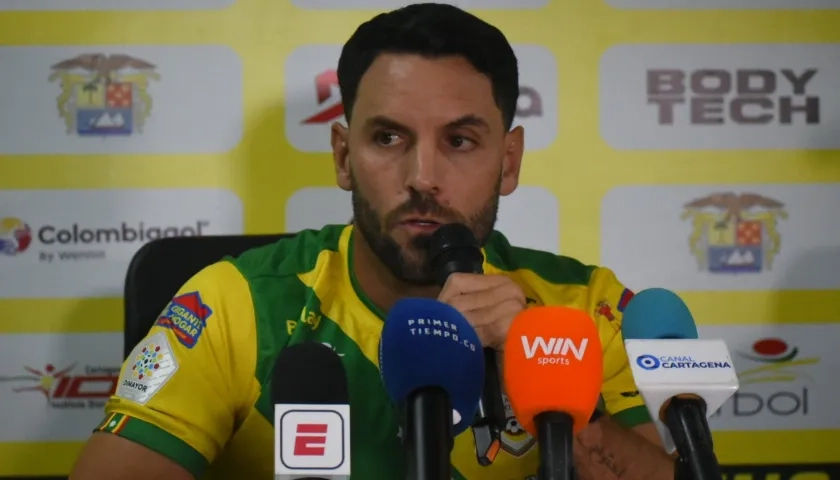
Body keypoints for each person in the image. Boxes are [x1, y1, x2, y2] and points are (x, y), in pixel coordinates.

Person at [70, 3, 676, 479]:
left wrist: (553, 391)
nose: (422, 177)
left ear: (509, 162)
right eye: (388, 138)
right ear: (342, 155)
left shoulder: (582, 306)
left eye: (461, 141)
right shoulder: (236, 304)